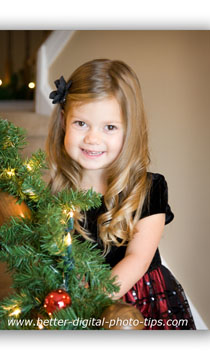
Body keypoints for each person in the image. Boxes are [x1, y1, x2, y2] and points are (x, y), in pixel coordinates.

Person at [46, 58, 196, 330]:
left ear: (130, 130)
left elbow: (137, 259)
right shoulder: (60, 191)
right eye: (81, 123)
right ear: (63, 120)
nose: (93, 138)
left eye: (110, 127)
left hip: (137, 303)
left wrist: (92, 300)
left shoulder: (148, 189)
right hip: (74, 299)